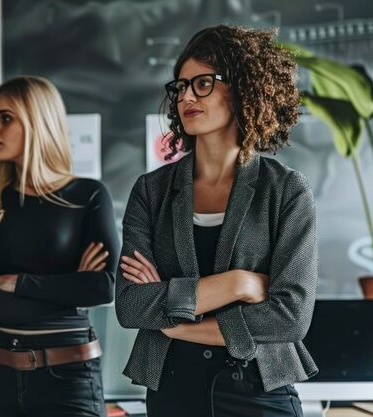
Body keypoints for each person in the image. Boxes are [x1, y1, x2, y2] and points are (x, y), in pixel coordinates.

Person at [115, 25, 318, 417]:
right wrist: (238, 283)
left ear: (242, 89)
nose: (186, 96)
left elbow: (290, 316)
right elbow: (131, 305)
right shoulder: (150, 191)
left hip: (259, 390)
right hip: (172, 389)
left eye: (203, 83)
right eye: (181, 87)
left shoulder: (287, 190)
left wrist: (176, 325)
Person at [0, 75, 120, 417]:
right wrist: (69, 289)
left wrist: (19, 283)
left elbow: (103, 287)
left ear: (38, 122)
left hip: (70, 378)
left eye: (5, 118)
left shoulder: (89, 196)